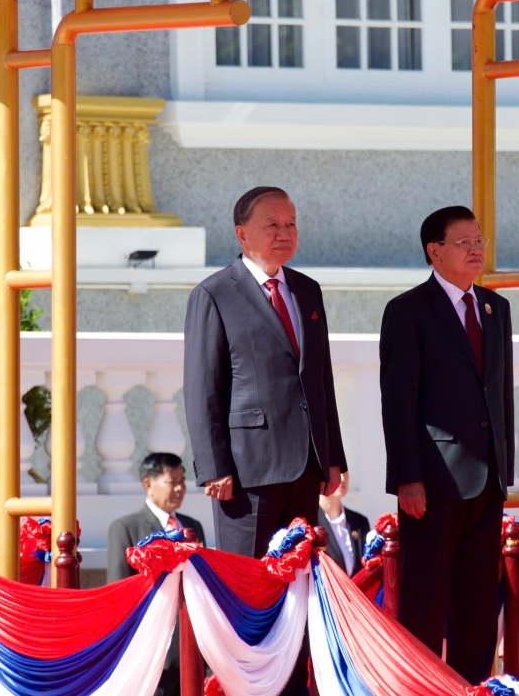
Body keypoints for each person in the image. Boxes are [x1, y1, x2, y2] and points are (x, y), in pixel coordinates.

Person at [183, 186, 347, 695]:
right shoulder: (215, 293)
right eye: (272, 224)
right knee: (249, 589)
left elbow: (320, 381)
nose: (284, 233)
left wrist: (332, 456)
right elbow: (202, 387)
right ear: (242, 233)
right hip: (246, 471)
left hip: (305, 466)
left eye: (291, 223)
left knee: (296, 588)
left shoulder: (307, 290)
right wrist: (213, 465)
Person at [379, 205, 515, 685]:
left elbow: (500, 395)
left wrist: (504, 467)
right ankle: (418, 689)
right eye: (464, 242)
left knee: (477, 607)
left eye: (480, 241)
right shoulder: (408, 311)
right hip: (433, 483)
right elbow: (398, 402)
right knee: (425, 602)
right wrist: (407, 478)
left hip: (487, 480)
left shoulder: (496, 309)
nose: (476, 249)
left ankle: (470, 689)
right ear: (435, 252)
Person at [106, 452, 206, 696]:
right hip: (153, 647)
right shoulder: (126, 528)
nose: (180, 489)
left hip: (193, 644)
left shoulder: (193, 527)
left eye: (182, 482)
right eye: (173, 482)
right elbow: (120, 593)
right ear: (148, 484)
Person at [317, 471, 371, 577]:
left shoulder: (360, 521)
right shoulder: (310, 522)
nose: (342, 478)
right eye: (335, 471)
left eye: (344, 471)